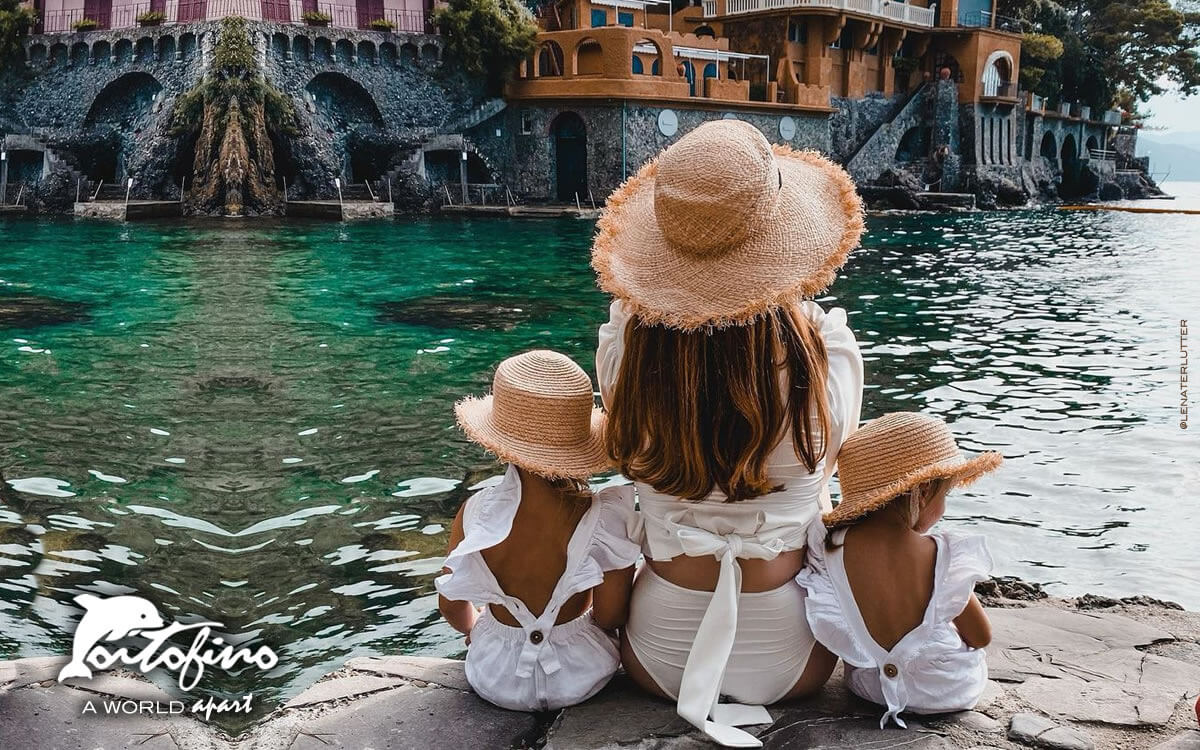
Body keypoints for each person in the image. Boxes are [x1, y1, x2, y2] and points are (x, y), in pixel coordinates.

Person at [592, 120, 866, 747]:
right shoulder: (827, 355)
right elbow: (835, 456)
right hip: (796, 661)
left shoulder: (626, 356)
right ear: (784, 245)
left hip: (658, 660)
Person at [436, 350, 641, 712]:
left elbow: (451, 604)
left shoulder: (474, 514)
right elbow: (611, 616)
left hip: (495, 676)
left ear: (501, 443)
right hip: (582, 676)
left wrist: (475, 628)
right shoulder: (604, 517)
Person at [796, 412, 1001, 728]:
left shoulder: (829, 549)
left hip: (870, 688)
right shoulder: (939, 553)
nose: (944, 509)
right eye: (944, 495)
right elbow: (981, 636)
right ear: (921, 492)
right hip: (948, 690)